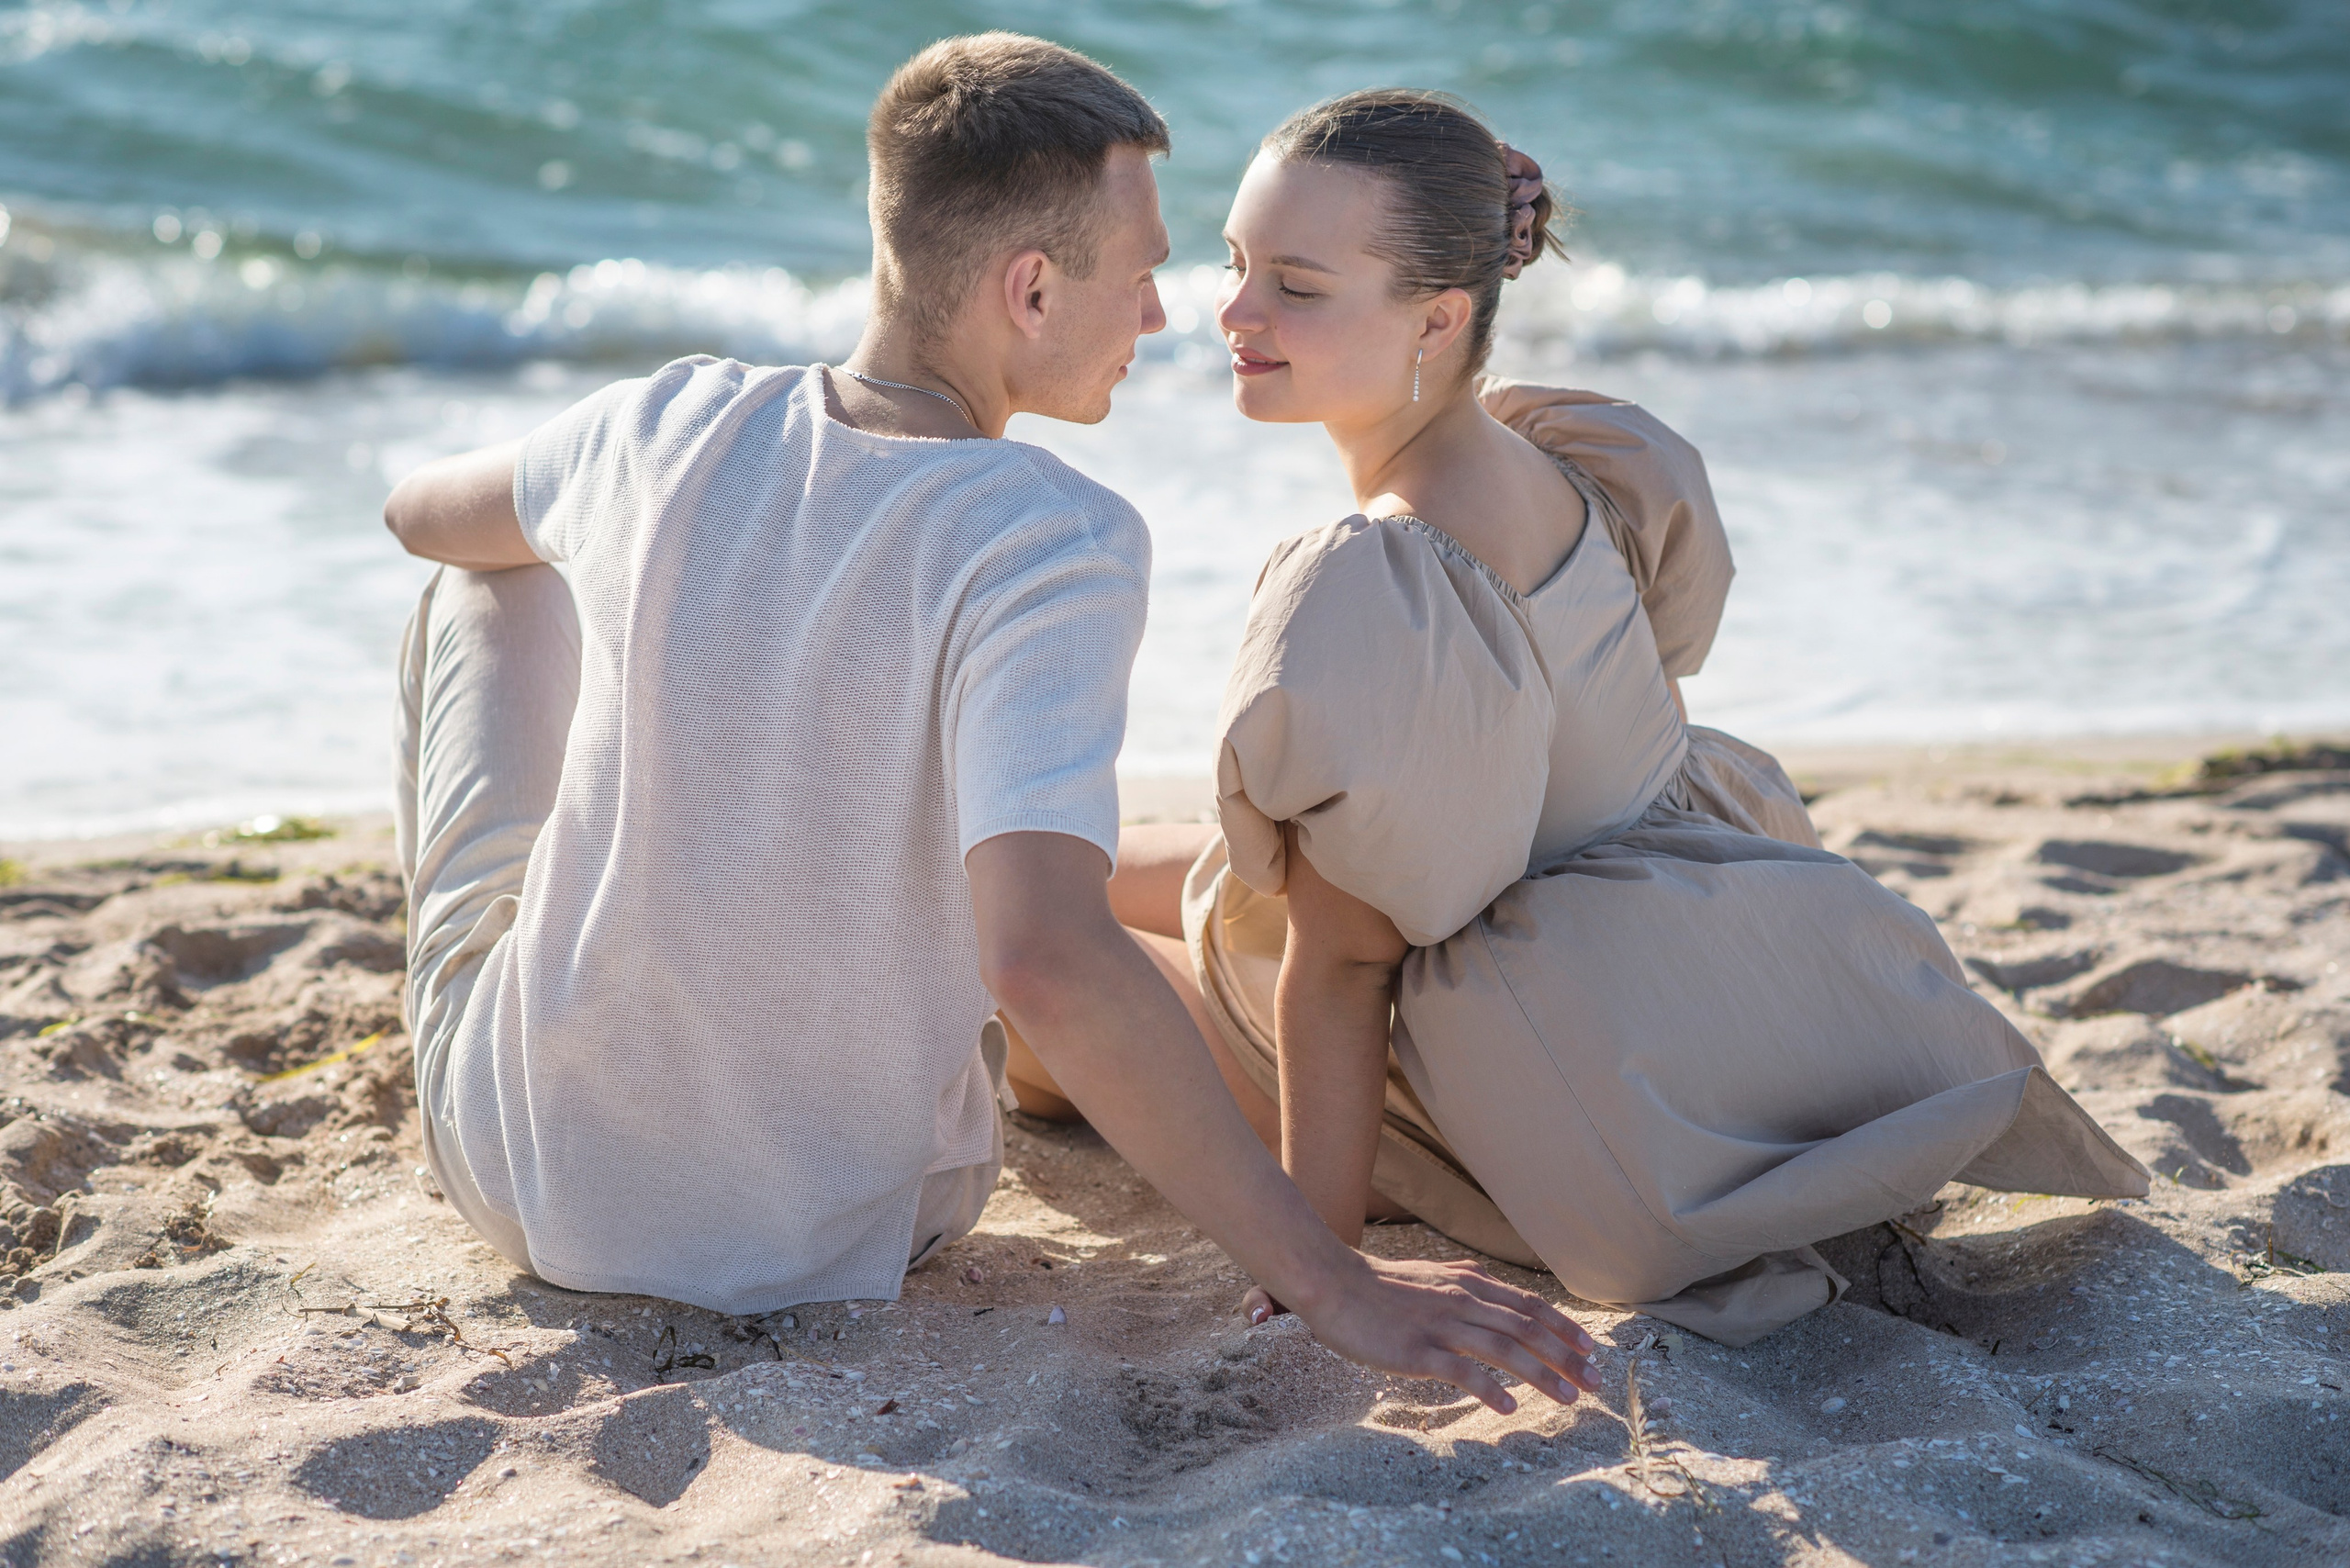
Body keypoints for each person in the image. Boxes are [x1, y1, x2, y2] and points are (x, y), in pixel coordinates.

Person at [381, 36, 1596, 1413]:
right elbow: (1043, 957)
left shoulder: (661, 422)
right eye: (1141, 275)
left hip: (536, 1183)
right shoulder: (1052, 539)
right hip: (862, 1229)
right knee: (988, 828)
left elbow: (417, 511)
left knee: (483, 584)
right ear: (1030, 289)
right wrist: (1329, 1278)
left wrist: (653, 541)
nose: (1158, 316)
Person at [1051, 89, 2150, 1347]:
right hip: (1631, 915)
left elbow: (1346, 970)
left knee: (1014, 960)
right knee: (1103, 861)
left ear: (1439, 315)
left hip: (1516, 1044)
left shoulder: (1387, 574)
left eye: (1297, 286)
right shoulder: (1561, 454)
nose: (1234, 313)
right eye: (1238, 264)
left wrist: (1321, 1263)